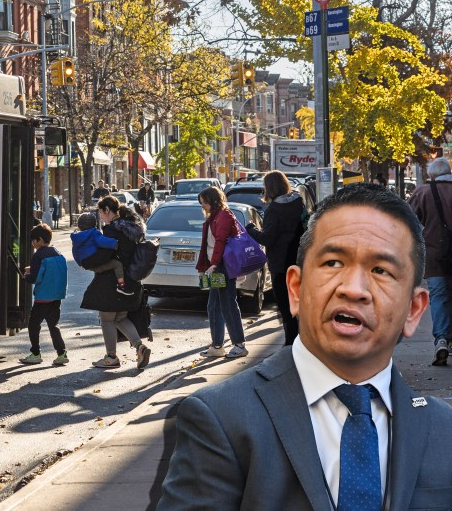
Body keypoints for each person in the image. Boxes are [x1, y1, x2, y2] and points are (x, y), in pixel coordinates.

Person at [158, 183, 452, 510]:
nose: (354, 289)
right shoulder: (220, 419)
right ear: (296, 289)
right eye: (333, 264)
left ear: (413, 310)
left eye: (381, 270)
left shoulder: (444, 430)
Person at [81, 196, 152, 370]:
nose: (100, 216)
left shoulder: (111, 231)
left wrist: (87, 262)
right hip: (129, 282)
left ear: (107, 210)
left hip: (111, 282)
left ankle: (111, 357)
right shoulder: (132, 229)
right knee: (120, 317)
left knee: (106, 318)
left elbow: (105, 256)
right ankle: (139, 347)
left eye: (100, 212)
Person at [246, 170, 304, 345]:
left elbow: (267, 238)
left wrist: (251, 229)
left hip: (280, 263)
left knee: (286, 307)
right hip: (300, 259)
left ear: (269, 188)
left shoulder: (274, 209)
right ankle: (304, 340)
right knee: (300, 302)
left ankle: (290, 343)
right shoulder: (298, 202)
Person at [408, 156, 452, 365]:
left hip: (436, 257)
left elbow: (407, 220)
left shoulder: (423, 192)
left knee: (439, 298)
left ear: (432, 175)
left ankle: (442, 339)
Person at [195, 186, 247, 358]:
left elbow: (220, 242)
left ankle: (239, 344)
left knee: (227, 304)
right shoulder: (215, 217)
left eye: (204, 203)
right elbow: (209, 245)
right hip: (216, 266)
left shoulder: (223, 215)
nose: (203, 207)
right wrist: (205, 266)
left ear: (213, 201)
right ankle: (217, 346)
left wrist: (214, 264)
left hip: (222, 266)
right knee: (215, 305)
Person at [19, 223, 69, 365]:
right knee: (53, 325)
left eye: (33, 241)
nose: (32, 244)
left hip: (43, 297)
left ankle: (35, 353)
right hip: (56, 296)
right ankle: (61, 353)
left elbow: (35, 278)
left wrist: (26, 276)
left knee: (34, 324)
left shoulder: (38, 255)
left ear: (39, 240)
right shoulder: (57, 253)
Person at [70, 212, 131, 295]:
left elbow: (75, 251)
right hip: (95, 261)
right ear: (94, 224)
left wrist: (80, 263)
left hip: (86, 263)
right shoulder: (94, 233)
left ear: (79, 226)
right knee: (117, 264)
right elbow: (102, 241)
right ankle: (122, 286)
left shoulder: (76, 237)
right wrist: (115, 243)